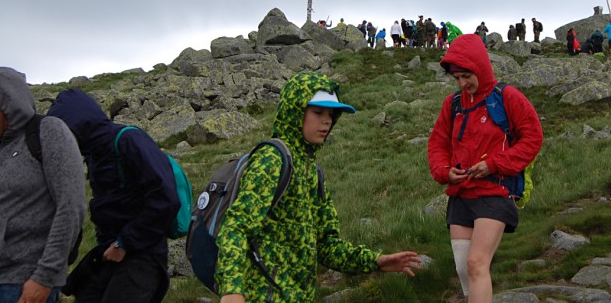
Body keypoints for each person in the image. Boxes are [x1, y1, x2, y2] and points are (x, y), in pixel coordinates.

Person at [216, 72, 421, 302]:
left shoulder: (313, 171)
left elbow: (326, 246)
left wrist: (376, 261)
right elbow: (236, 227)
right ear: (295, 111)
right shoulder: (271, 159)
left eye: (331, 115)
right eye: (318, 112)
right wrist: (232, 290)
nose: (327, 121)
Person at [428, 34, 542, 301]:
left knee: (477, 263)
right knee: (463, 267)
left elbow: (533, 138)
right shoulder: (452, 104)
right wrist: (445, 172)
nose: (462, 83)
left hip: (495, 192)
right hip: (461, 194)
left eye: (466, 75)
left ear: (480, 66)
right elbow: (437, 145)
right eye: (456, 78)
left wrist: (493, 164)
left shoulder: (507, 96)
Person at [47, 89, 180, 303]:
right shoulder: (93, 153)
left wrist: (125, 242)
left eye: (63, 133)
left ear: (77, 126)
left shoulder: (129, 140)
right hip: (108, 252)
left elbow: (166, 198)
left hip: (143, 254)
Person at [0, 67, 86, 303]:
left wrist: (44, 278)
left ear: (11, 103)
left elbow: (71, 206)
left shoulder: (49, 132)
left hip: (22, 283)